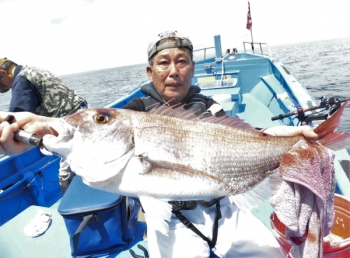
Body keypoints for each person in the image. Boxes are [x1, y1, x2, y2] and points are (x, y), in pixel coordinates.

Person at [0, 31, 318, 258]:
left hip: (226, 209)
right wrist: (39, 135)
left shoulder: (210, 106)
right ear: (150, 71)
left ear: (192, 70)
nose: (173, 71)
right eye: (163, 62)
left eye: (182, 62)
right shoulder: (135, 112)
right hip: (169, 222)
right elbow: (89, 140)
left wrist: (277, 135)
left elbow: (244, 137)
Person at [0, 58, 88, 194]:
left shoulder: (21, 80)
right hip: (84, 116)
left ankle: (81, 211)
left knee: (67, 175)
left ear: (3, 73)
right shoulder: (34, 69)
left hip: (69, 129)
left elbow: (18, 117)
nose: (8, 87)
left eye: (2, 83)